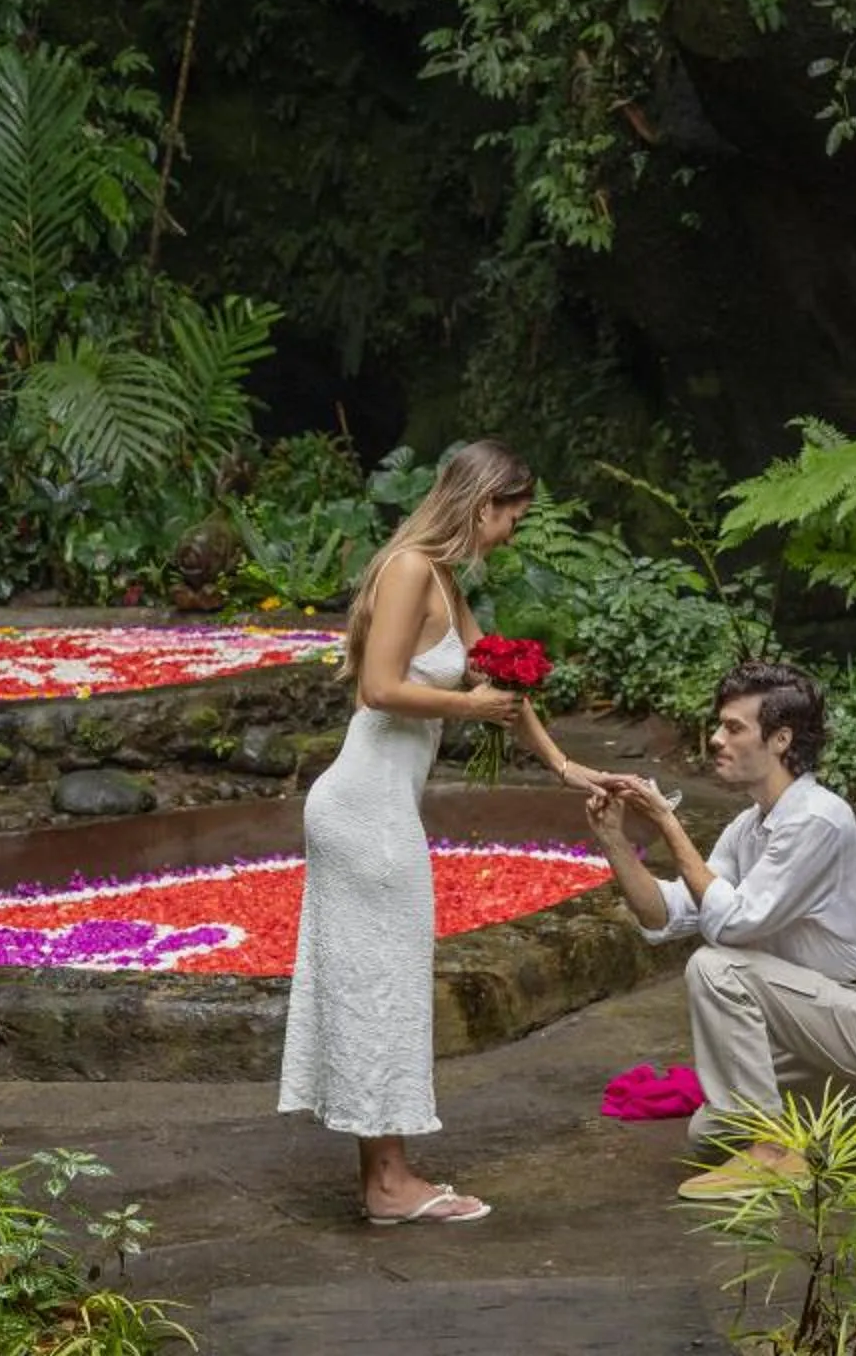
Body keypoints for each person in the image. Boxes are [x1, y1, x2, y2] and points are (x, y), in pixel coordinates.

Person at [279, 438, 617, 1224]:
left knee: (385, 984)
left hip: (384, 806)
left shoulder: (442, 580)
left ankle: (386, 1175)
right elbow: (380, 687)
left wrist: (566, 768)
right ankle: (389, 1183)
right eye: (512, 518)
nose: (512, 535)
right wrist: (471, 709)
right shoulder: (406, 571)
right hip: (362, 806)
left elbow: (497, 681)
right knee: (381, 987)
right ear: (482, 503)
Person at [585, 658, 856, 1199]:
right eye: (719, 725)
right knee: (709, 1134)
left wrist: (668, 822)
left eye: (733, 728)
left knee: (715, 966)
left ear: (780, 739)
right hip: (821, 1026)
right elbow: (667, 915)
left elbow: (732, 924)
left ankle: (775, 1151)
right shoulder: (748, 826)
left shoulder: (818, 819)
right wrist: (614, 840)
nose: (715, 739)